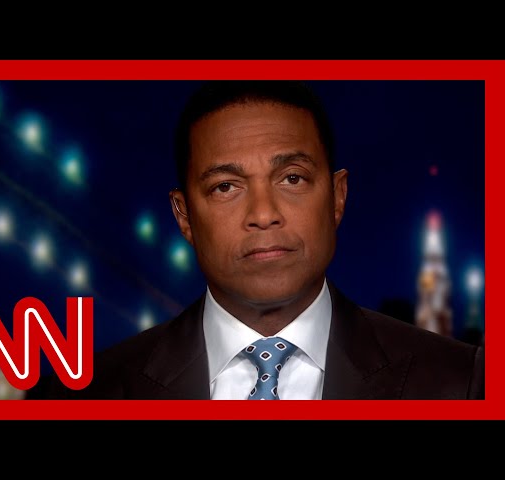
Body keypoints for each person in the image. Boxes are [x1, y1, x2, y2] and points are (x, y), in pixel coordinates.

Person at [46, 80, 485, 400]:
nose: (263, 214)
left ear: (337, 197)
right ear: (183, 216)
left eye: (292, 178)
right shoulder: (85, 395)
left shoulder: (464, 382)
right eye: (226, 187)